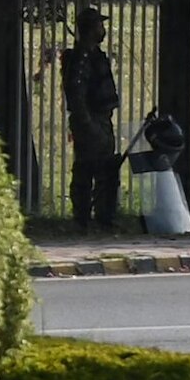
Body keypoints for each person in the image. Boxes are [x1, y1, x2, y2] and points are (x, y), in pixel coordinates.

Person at [58, 13, 123, 225]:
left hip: (101, 119)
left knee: (106, 170)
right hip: (91, 120)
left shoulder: (95, 55)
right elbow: (76, 92)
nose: (102, 30)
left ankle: (104, 216)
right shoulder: (82, 58)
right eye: (98, 25)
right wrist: (86, 123)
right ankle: (84, 217)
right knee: (87, 169)